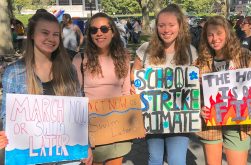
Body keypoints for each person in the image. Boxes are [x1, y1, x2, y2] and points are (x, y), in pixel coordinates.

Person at [1, 12, 92, 164]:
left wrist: (86, 145)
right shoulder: (14, 72)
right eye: (45, 33)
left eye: (55, 34)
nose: (51, 38)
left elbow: (78, 115)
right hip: (30, 156)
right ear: (31, 35)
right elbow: (7, 117)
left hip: (67, 156)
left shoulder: (69, 69)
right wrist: (4, 136)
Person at [131, 4, 198, 165]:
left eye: (171, 25)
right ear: (156, 27)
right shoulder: (145, 50)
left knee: (177, 160)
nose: (166, 30)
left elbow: (195, 82)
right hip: (152, 116)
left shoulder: (190, 51)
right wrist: (134, 87)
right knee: (154, 158)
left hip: (180, 118)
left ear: (180, 26)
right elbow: (134, 76)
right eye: (161, 25)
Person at [194, 15, 251, 165]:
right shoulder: (200, 62)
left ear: (228, 33)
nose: (214, 38)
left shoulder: (244, 56)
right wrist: (198, 108)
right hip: (211, 123)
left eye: (219, 33)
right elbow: (192, 92)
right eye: (210, 34)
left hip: (239, 122)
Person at [72, 12, 131, 165]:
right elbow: (75, 98)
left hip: (118, 128)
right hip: (91, 131)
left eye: (104, 29)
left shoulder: (123, 57)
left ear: (113, 32)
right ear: (89, 34)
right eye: (94, 30)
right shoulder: (80, 59)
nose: (99, 33)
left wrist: (133, 123)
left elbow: (126, 92)